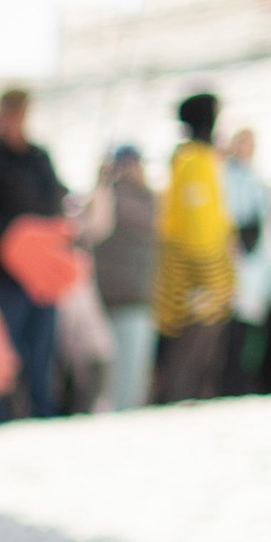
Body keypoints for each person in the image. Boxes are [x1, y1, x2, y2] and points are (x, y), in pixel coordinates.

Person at [0, 86, 67, 421]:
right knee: (0, 356)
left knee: (41, 355)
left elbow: (56, 201)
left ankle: (42, 415)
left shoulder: (38, 158)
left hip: (40, 274)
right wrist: (14, 232)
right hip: (0, 276)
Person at [154, 92, 236, 404]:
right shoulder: (193, 161)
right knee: (190, 362)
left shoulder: (198, 159)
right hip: (196, 283)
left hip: (203, 280)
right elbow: (197, 230)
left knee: (202, 361)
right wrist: (208, 281)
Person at [82, 143, 160, 411]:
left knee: (128, 375)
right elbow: (92, 229)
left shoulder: (141, 198)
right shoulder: (114, 196)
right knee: (121, 376)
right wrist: (102, 184)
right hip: (120, 295)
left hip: (132, 293)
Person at [221, 123, 271, 395]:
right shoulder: (223, 176)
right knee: (230, 336)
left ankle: (245, 385)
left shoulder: (257, 182)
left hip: (256, 273)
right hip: (230, 267)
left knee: (250, 338)